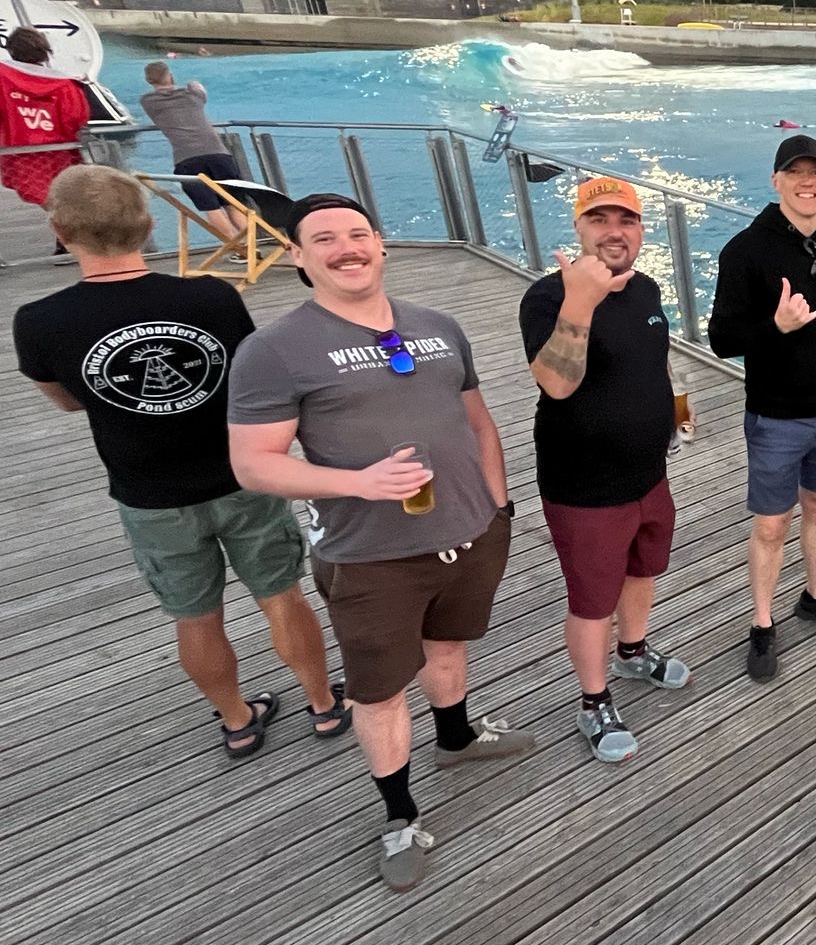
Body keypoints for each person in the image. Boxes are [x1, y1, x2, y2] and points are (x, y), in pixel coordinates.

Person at [229, 192, 533, 891]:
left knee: (448, 646)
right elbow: (253, 464)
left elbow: (478, 423)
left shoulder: (438, 326)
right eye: (325, 239)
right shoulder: (273, 350)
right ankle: (399, 814)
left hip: (470, 532)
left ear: (381, 243)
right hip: (369, 554)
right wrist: (359, 483)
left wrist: (497, 505)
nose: (347, 248)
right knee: (380, 690)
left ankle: (455, 737)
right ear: (297, 256)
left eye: (358, 233)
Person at [13, 166, 342, 755]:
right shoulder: (211, 297)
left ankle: (238, 721)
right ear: (147, 225)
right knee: (282, 597)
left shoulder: (38, 321)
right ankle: (322, 705)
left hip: (149, 496)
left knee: (196, 616)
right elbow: (249, 379)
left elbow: (67, 400)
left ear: (60, 230)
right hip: (242, 477)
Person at [520, 175, 692, 764]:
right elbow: (556, 383)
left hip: (649, 471)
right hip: (584, 485)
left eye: (626, 220)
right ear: (578, 227)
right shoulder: (548, 297)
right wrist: (582, 300)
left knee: (643, 569)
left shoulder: (645, 288)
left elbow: (652, 362)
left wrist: (672, 411)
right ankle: (593, 701)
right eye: (599, 219)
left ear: (641, 230)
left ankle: (633, 652)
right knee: (592, 599)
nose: (614, 232)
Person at [708, 135, 816, 681]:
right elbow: (721, 339)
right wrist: (775, 326)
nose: (807, 182)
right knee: (772, 524)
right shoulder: (744, 251)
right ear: (776, 181)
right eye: (795, 172)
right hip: (777, 415)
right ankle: (761, 623)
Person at [139, 61, 247, 242]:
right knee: (232, 203)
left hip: (187, 159)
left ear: (149, 80)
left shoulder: (148, 102)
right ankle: (253, 244)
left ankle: (238, 246)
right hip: (218, 153)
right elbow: (198, 88)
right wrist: (190, 84)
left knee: (211, 208)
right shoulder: (192, 95)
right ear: (170, 76)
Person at [1, 27, 89, 218]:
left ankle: (63, 223)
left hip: (19, 150)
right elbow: (76, 118)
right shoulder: (66, 84)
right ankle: (67, 224)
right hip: (60, 150)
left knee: (39, 194)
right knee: (64, 192)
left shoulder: (3, 77)